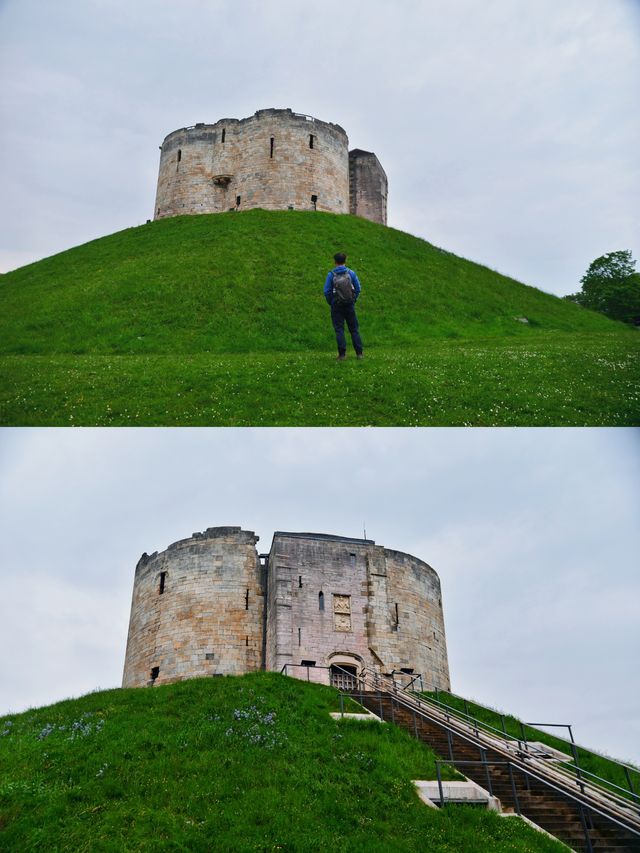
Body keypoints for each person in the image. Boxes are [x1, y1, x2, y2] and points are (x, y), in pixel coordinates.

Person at [323, 252, 364, 360]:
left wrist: (331, 302)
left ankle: (342, 355)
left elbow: (327, 292)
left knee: (339, 330)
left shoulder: (331, 275)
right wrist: (353, 300)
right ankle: (359, 354)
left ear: (335, 261)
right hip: (349, 305)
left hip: (337, 306)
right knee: (354, 329)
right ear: (345, 261)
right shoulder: (351, 273)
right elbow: (358, 288)